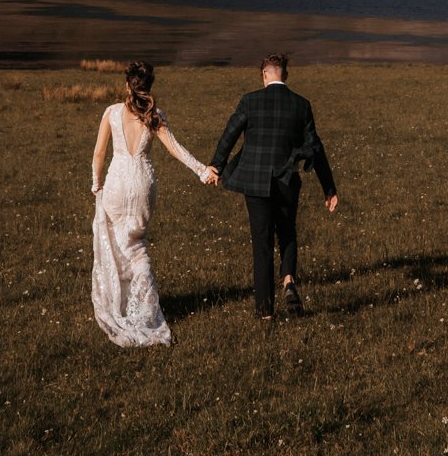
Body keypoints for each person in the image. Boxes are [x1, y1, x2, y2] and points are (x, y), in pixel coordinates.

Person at [205, 52, 337, 320]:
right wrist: (329, 188)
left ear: (264, 75)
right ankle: (288, 280)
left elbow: (229, 134)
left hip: (255, 182)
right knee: (288, 232)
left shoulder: (250, 101)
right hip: (287, 179)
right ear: (285, 75)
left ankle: (265, 312)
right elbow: (316, 147)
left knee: (262, 244)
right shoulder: (301, 105)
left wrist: (216, 165)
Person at [90, 59, 212, 347]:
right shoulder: (153, 114)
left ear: (127, 85)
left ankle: (119, 306)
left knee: (116, 245)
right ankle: (143, 309)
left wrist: (96, 183)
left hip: (118, 182)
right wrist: (202, 170)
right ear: (148, 87)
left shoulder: (111, 113)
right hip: (143, 183)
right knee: (138, 245)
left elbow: (98, 154)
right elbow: (175, 149)